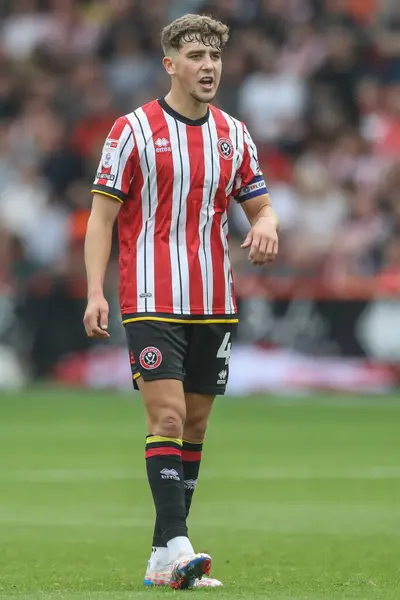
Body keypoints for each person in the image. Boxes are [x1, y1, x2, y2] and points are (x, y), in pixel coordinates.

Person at [83, 13, 279, 590]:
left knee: (193, 426)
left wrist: (269, 225)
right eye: (196, 56)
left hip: (215, 299)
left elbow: (261, 206)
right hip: (150, 296)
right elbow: (101, 219)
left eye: (214, 57)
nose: (208, 66)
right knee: (165, 416)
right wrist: (95, 290)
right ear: (170, 64)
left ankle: (160, 558)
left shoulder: (233, 134)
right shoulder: (132, 130)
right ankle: (181, 543)